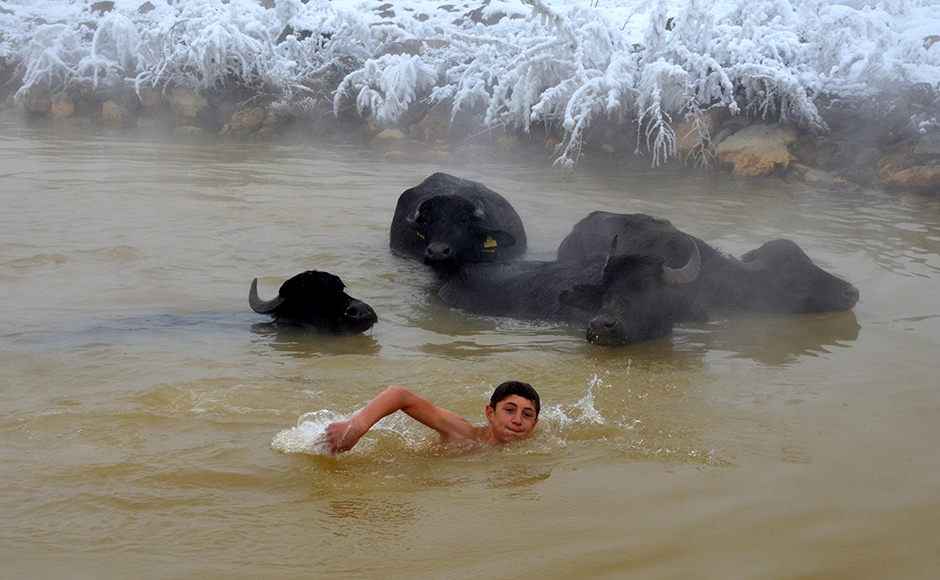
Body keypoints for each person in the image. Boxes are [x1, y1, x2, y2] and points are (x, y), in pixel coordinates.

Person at [322, 381, 540, 454]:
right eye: (509, 410)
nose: (518, 420)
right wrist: (355, 427)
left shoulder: (537, 443)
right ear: (490, 413)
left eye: (527, 415)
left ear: (535, 424)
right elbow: (399, 395)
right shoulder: (462, 432)